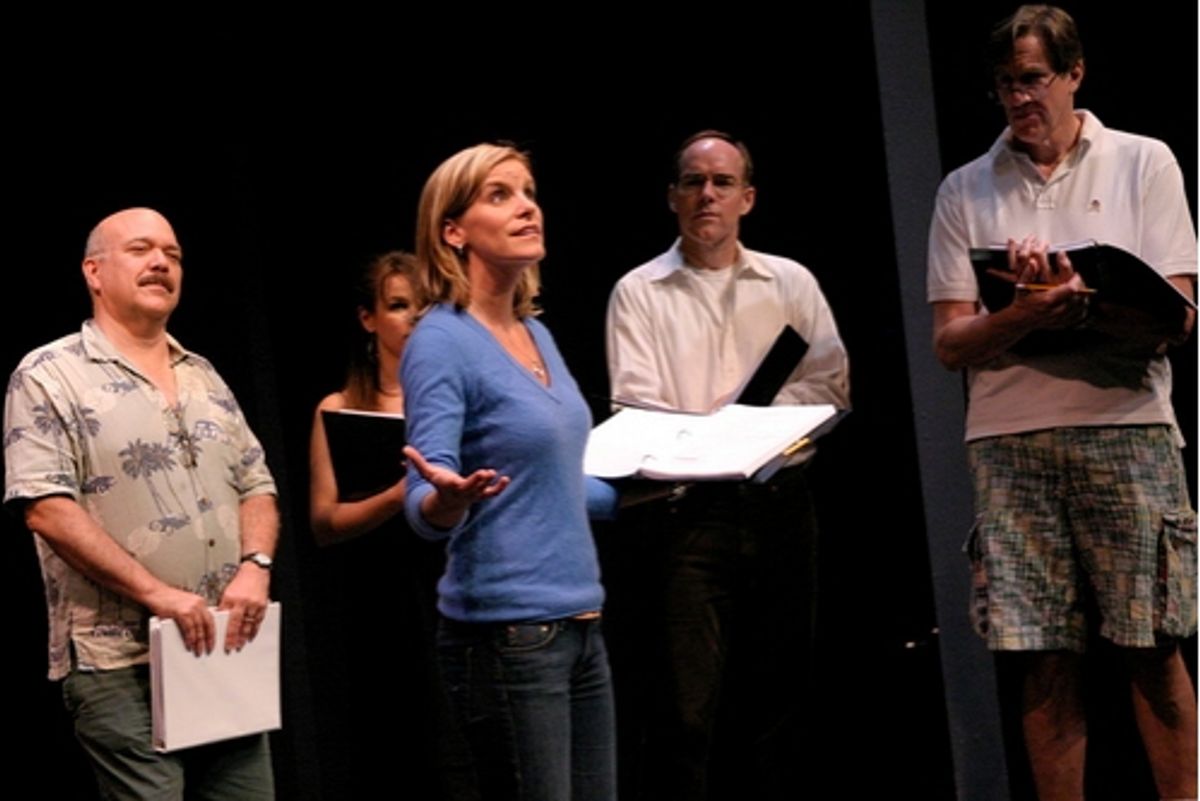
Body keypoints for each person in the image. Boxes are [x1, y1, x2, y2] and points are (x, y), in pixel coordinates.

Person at [926, 6, 1197, 800]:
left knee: (1153, 642)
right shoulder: (964, 188)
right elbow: (948, 343)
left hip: (1126, 428)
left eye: (1034, 79)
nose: (1019, 98)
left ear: (1074, 74)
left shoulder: (1144, 162)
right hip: (1010, 441)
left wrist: (1083, 302)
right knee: (1041, 655)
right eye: (1005, 84)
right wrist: (1022, 314)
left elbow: (1178, 313)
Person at [605, 130, 850, 800]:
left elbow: (828, 387)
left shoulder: (790, 281)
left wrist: (736, 425)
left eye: (721, 182)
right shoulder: (640, 291)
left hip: (779, 501)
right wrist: (721, 429)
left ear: (748, 197)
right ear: (671, 197)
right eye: (692, 181)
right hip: (687, 513)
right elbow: (640, 409)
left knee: (780, 694)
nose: (706, 194)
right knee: (686, 706)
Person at [4, 207, 279, 799]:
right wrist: (157, 594)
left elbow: (257, 485)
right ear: (94, 272)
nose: (160, 263)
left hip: (222, 650)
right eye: (141, 250)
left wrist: (256, 567)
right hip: (118, 659)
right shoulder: (50, 374)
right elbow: (45, 506)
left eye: (173, 254)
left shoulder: (203, 375)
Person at [401, 143, 620, 801]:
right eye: (499, 195)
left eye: (528, 191)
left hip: (581, 623)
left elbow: (551, 481)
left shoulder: (535, 333)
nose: (526, 206)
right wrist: (449, 497)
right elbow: (423, 499)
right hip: (510, 634)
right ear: (453, 230)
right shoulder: (440, 339)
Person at [307, 251, 477, 800]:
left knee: (466, 751)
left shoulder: (458, 402)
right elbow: (325, 523)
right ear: (369, 318)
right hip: (378, 605)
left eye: (426, 306)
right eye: (400, 306)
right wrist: (402, 493)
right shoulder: (340, 407)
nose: (415, 319)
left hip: (457, 593)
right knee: (397, 754)